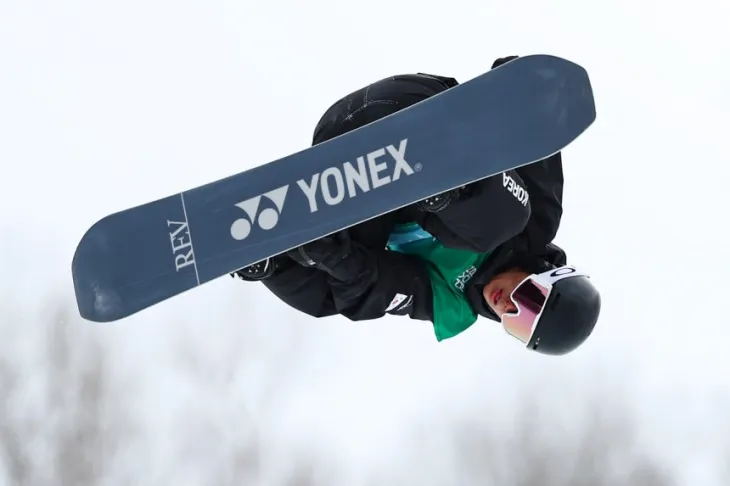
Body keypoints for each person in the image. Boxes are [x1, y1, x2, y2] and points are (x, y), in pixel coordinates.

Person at [232, 55, 601, 356]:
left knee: (339, 297)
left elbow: (377, 288)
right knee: (505, 221)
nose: (509, 308)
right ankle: (437, 175)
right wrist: (542, 94)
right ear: (548, 275)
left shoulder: (454, 305)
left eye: (518, 325)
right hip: (413, 108)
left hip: (347, 157)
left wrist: (330, 255)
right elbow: (521, 91)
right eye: (531, 302)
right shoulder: (538, 222)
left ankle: (269, 251)